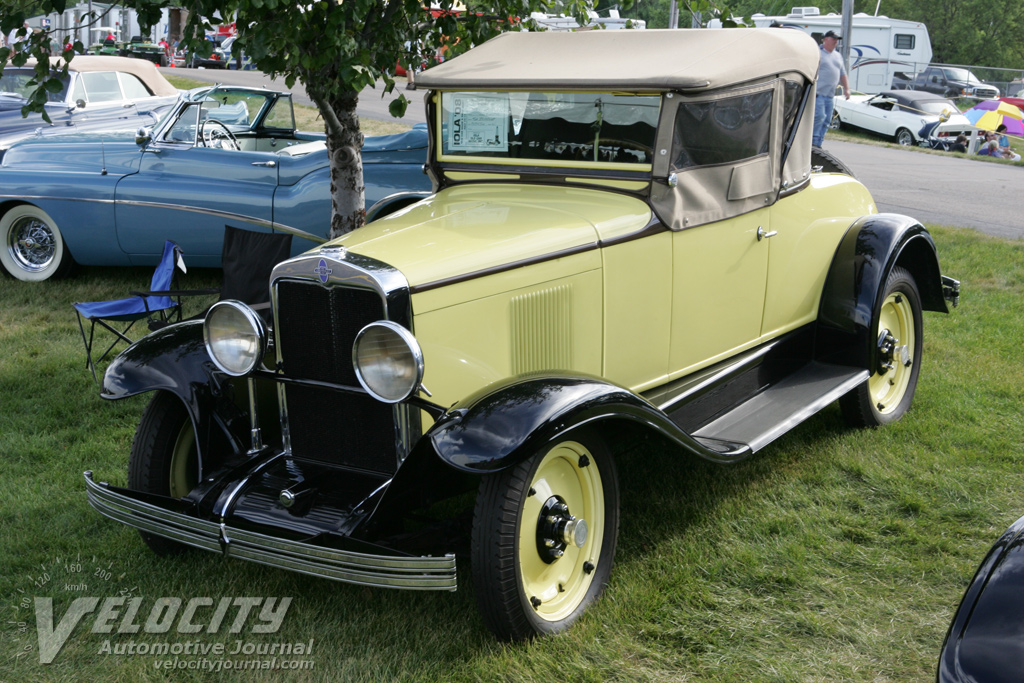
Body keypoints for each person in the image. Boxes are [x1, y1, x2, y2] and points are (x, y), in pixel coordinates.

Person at [812, 30, 850, 147]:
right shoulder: (818, 53)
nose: (835, 42)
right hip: (818, 93)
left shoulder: (837, 56)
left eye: (837, 40)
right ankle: (812, 144)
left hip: (829, 95)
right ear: (826, 39)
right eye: (833, 39)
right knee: (819, 117)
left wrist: (846, 89)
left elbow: (842, 73)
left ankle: (819, 144)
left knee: (827, 120)